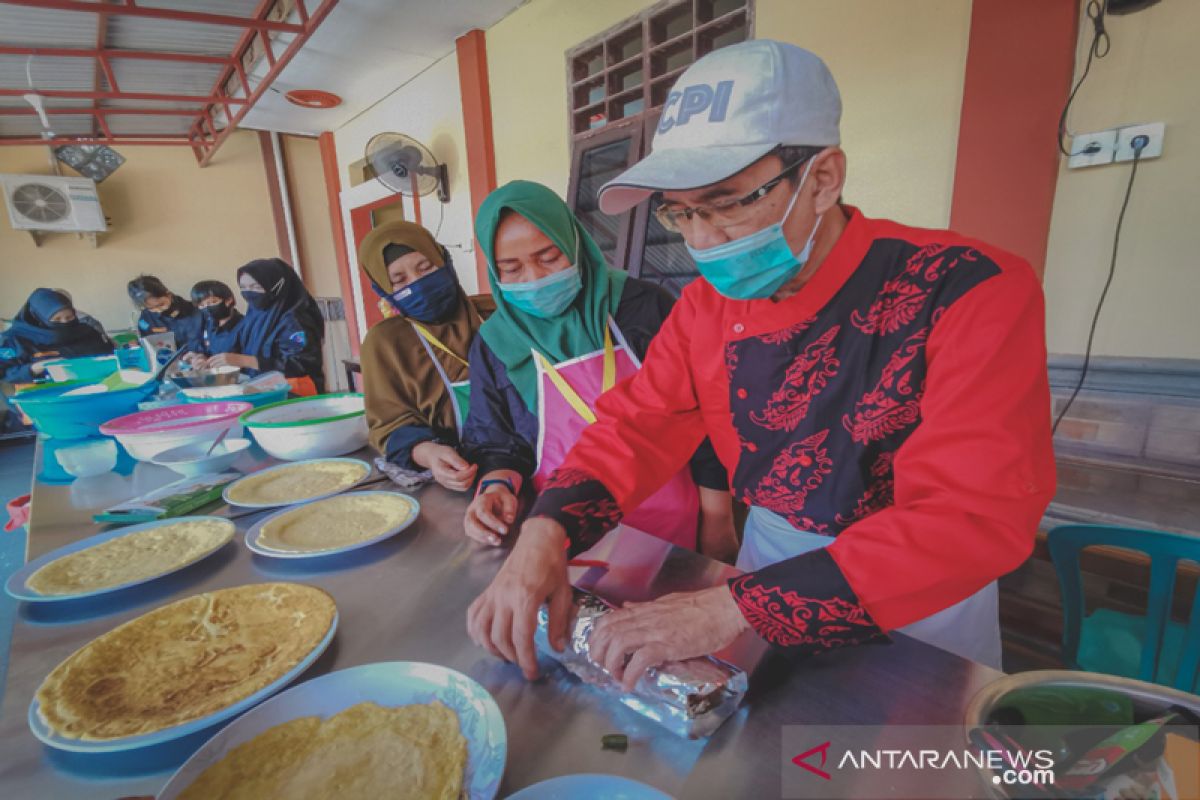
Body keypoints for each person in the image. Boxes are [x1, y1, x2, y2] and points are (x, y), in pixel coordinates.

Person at [467, 40, 1056, 684]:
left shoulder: (963, 288)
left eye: (726, 203)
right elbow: (635, 426)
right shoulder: (703, 309)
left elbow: (970, 516)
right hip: (764, 565)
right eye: (681, 212)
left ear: (823, 178)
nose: (699, 240)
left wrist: (738, 608)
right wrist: (545, 532)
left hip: (919, 609)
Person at [460, 180, 737, 560]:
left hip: (671, 529)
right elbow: (500, 445)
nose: (535, 278)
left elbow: (702, 416)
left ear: (574, 243)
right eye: (511, 268)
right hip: (564, 535)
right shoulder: (495, 345)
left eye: (549, 256)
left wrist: (718, 518)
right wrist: (496, 487)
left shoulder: (641, 307)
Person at [356, 221, 495, 490]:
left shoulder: (494, 313)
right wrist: (429, 454)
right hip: (452, 480)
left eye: (426, 267)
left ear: (445, 262)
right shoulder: (386, 343)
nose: (418, 283)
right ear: (384, 291)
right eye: (400, 280)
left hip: (524, 465)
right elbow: (390, 425)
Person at [201, 259, 326, 395]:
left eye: (256, 287)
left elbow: (301, 364)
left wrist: (247, 361)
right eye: (243, 287)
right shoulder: (256, 314)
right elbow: (239, 347)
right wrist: (209, 359)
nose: (249, 292)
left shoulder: (295, 321)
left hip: (297, 394)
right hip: (268, 388)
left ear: (277, 286)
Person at [1, 288, 113, 383]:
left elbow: (109, 355)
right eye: (56, 319)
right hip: (44, 396)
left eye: (69, 317)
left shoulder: (86, 331)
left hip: (97, 386)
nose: (65, 322)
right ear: (39, 319)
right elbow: (5, 372)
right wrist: (33, 368)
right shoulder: (15, 340)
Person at [127, 275, 204, 353]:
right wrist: (139, 345)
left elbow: (203, 340)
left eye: (161, 304)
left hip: (197, 358)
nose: (158, 310)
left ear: (168, 295)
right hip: (166, 360)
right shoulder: (145, 319)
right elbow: (149, 343)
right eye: (151, 308)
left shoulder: (193, 310)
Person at [189, 280, 243, 357]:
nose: (207, 308)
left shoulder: (245, 326)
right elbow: (210, 350)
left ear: (229, 300)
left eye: (212, 302)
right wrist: (201, 356)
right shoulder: (210, 323)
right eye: (201, 305)